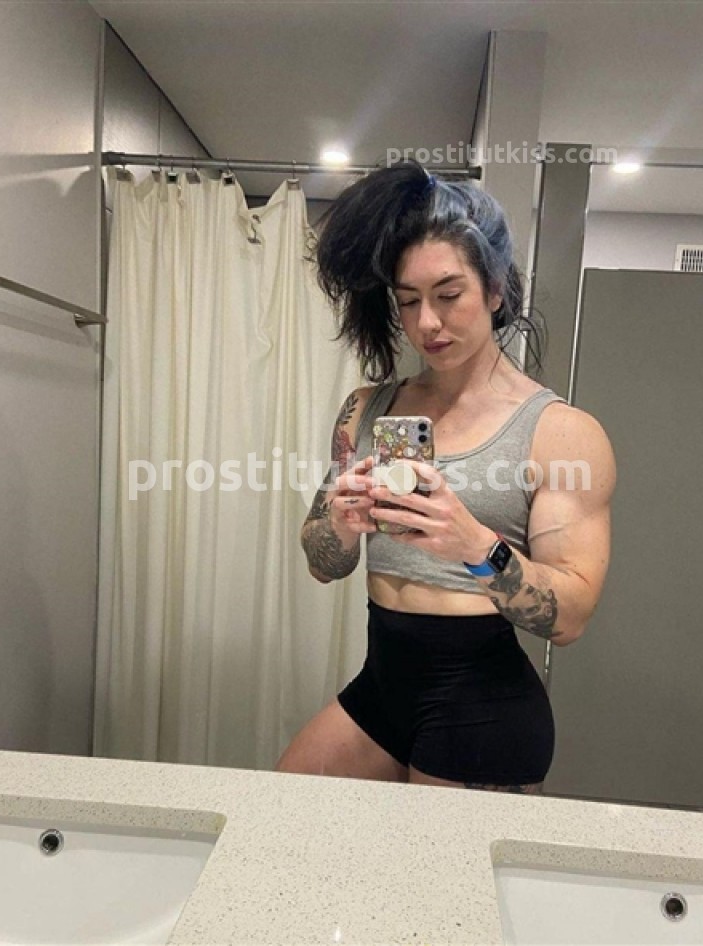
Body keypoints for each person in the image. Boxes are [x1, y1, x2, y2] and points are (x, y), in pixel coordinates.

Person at [276, 160, 616, 793]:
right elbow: (322, 563)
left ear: (495, 289)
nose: (427, 323)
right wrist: (341, 525)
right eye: (408, 301)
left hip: (481, 709)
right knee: (282, 806)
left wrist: (474, 545)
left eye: (449, 294)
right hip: (382, 686)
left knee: (427, 862)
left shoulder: (561, 433)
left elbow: (570, 617)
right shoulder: (365, 409)